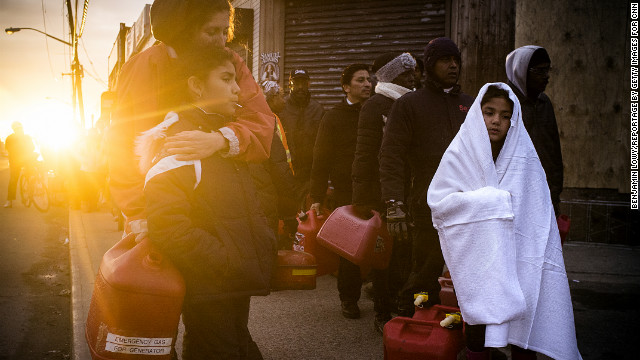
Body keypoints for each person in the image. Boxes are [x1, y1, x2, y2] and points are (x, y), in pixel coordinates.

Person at [136, 47, 276, 360]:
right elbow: (168, 227)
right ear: (196, 86)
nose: (238, 89)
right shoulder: (182, 142)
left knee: (231, 347)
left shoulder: (216, 137)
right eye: (227, 79)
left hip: (228, 283)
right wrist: (224, 260)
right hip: (211, 284)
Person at [427, 83, 582, 360]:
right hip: (478, 255)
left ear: (514, 119)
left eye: (505, 115)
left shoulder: (525, 158)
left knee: (525, 319)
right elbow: (440, 202)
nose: (496, 120)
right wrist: (494, 203)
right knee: (477, 321)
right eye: (489, 112)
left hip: (520, 254)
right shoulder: (461, 152)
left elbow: (537, 209)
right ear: (478, 113)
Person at [108, 0, 274, 238]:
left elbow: (261, 121)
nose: (221, 40)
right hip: (160, 212)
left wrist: (219, 140)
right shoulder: (144, 66)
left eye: (224, 31)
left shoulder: (230, 62)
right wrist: (139, 214)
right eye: (211, 32)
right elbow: (123, 147)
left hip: (225, 210)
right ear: (185, 29)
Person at [379, 37, 474, 316]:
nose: (453, 65)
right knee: (425, 273)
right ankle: (414, 322)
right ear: (431, 65)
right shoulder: (410, 104)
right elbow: (391, 156)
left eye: (456, 60)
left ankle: (464, 337)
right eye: (446, 60)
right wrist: (393, 202)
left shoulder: (469, 105)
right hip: (426, 205)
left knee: (467, 275)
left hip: (467, 204)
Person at [351, 52, 416, 332]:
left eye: (413, 73)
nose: (413, 78)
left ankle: (407, 307)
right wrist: (362, 198)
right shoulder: (375, 105)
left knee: (409, 255)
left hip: (414, 191)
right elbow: (364, 154)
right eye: (405, 74)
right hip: (383, 193)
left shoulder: (415, 103)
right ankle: (383, 311)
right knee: (386, 257)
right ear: (391, 76)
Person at [309, 63, 371, 319]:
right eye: (360, 80)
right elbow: (321, 158)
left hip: (376, 188)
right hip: (347, 192)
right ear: (346, 87)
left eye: (369, 79)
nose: (367, 84)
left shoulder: (378, 111)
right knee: (350, 249)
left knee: (380, 244)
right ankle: (349, 298)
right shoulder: (333, 116)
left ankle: (382, 292)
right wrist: (316, 196)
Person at [505, 46, 563, 216]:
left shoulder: (544, 103)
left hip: (545, 194)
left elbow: (553, 150)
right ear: (520, 70)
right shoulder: (506, 103)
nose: (546, 77)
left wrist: (555, 191)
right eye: (539, 71)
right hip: (514, 196)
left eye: (547, 70)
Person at [279, 69, 325, 206]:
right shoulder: (281, 107)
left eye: (303, 83)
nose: (300, 87)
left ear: (308, 84)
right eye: (296, 82)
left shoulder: (318, 109)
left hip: (309, 175)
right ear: (290, 84)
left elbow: (324, 143)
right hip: (286, 173)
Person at [3, 122, 36, 208]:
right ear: (14, 130)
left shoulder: (27, 137)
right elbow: (9, 150)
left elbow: (32, 147)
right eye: (17, 129)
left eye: (20, 128)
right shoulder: (10, 138)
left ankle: (30, 192)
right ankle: (9, 201)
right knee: (13, 180)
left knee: (31, 174)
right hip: (15, 161)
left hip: (26, 159)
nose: (19, 130)